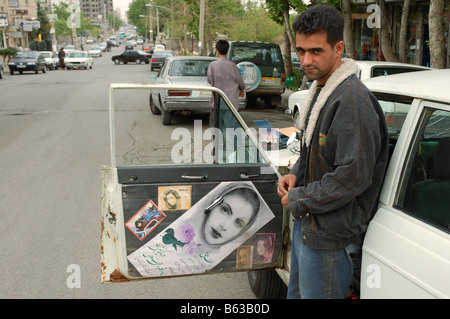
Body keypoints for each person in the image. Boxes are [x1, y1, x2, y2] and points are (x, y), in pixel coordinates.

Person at [277, 5, 389, 299]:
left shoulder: (351, 101)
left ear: (338, 47)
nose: (305, 60)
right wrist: (295, 175)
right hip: (311, 224)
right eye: (300, 51)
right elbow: (318, 150)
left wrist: (300, 197)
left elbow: (352, 176)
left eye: (315, 51)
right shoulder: (322, 89)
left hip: (330, 235)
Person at [207, 39, 245, 128]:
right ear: (227, 51)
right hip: (231, 102)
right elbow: (240, 81)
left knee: (216, 127)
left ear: (217, 51)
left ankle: (218, 142)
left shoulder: (212, 65)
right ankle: (232, 142)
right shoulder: (232, 65)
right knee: (232, 128)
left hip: (217, 102)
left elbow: (209, 79)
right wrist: (241, 89)